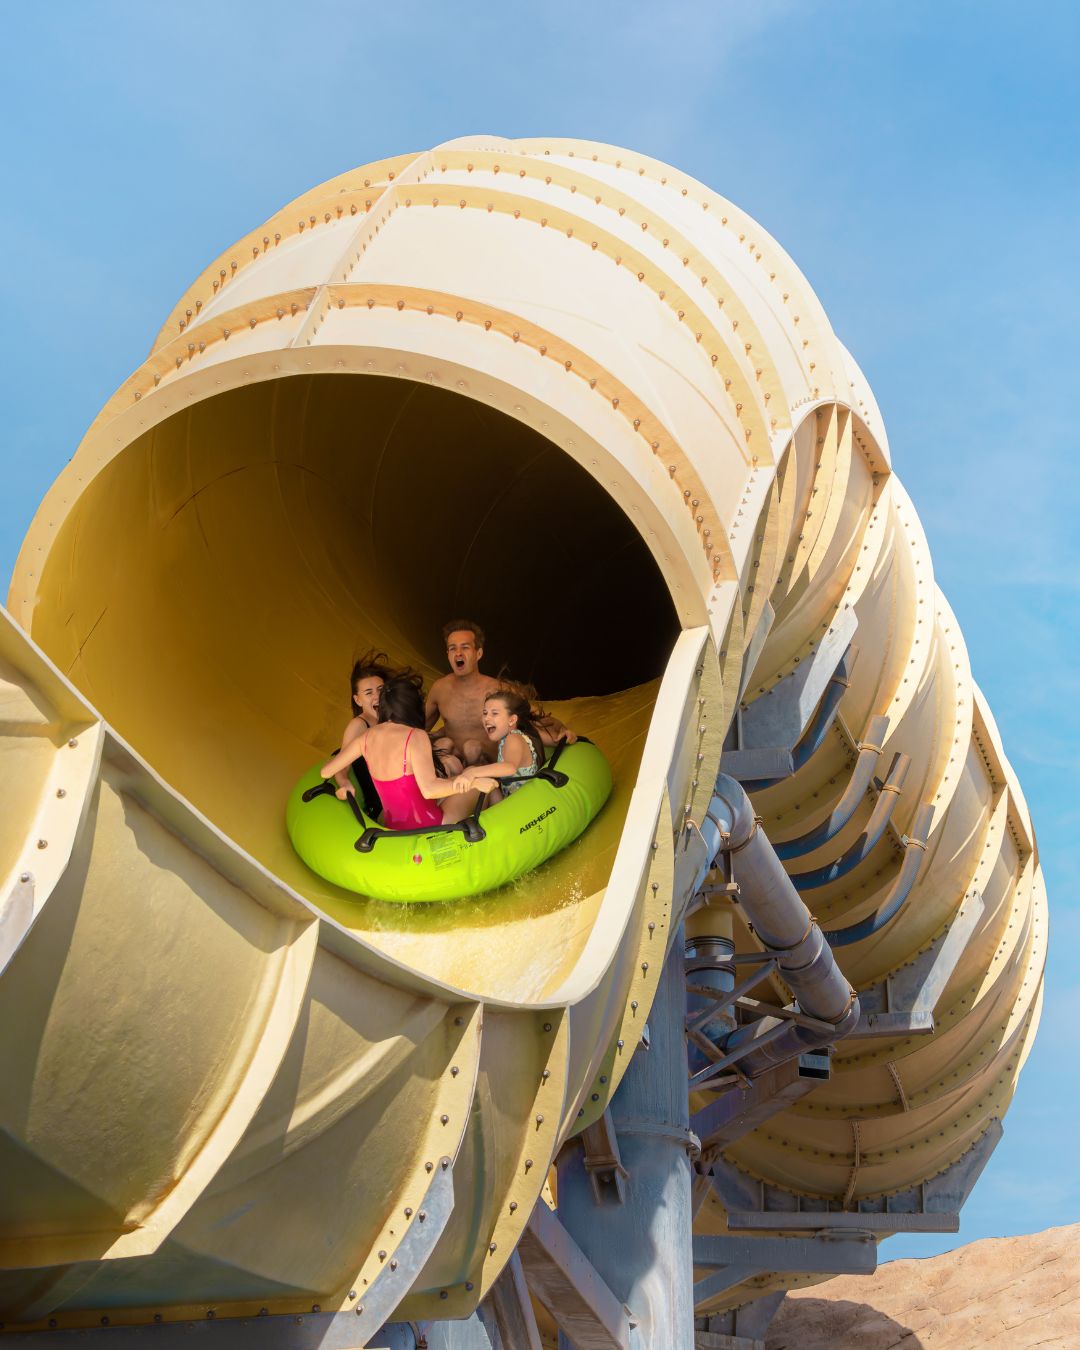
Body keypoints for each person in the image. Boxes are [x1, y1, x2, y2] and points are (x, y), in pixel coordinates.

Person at [321, 676, 491, 830]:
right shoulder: (415, 736)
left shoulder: (366, 737)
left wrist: (345, 783)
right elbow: (429, 790)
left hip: (392, 825)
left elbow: (326, 771)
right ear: (412, 706)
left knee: (457, 780)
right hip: (428, 824)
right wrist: (473, 782)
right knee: (479, 785)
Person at [426, 620, 576, 765]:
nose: (458, 653)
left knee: (472, 747)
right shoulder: (440, 689)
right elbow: (418, 726)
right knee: (444, 743)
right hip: (456, 765)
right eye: (453, 648)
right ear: (448, 654)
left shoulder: (498, 690)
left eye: (465, 647)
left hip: (490, 765)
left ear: (479, 653)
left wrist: (562, 729)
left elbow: (538, 716)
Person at [453, 689, 545, 806]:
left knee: (471, 772)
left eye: (494, 713)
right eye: (485, 713)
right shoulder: (507, 738)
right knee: (477, 777)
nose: (486, 718)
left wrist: (472, 773)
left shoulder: (514, 738)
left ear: (512, 720)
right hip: (509, 798)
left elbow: (509, 767)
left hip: (522, 804)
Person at [333, 651, 393, 803]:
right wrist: (344, 783)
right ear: (358, 700)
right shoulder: (359, 725)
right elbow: (341, 765)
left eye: (380, 689)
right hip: (381, 798)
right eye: (368, 693)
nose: (377, 696)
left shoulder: (393, 719)